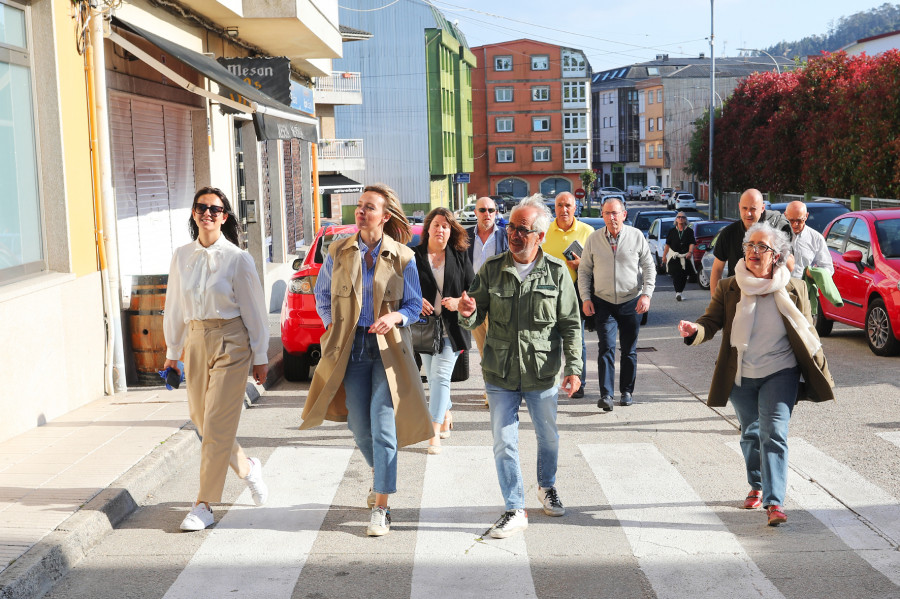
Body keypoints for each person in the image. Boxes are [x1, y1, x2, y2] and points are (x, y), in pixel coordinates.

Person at [678, 222, 835, 527]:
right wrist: (695, 330)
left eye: (762, 247)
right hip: (741, 376)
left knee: (774, 433)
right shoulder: (730, 287)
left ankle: (774, 503)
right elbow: (710, 322)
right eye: (750, 246)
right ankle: (757, 484)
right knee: (751, 434)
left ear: (776, 256)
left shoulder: (794, 288)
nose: (753, 251)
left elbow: (807, 332)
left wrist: (818, 370)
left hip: (781, 372)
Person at [301, 184, 433, 537]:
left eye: (369, 207)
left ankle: (382, 507)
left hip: (388, 349)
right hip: (351, 347)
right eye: (359, 207)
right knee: (358, 423)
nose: (361, 212)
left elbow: (414, 305)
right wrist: (333, 326)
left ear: (385, 216)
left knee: (382, 421)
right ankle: (380, 476)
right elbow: (323, 295)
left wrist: (394, 318)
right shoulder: (338, 250)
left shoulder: (404, 257)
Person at [458, 195, 582, 539]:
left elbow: (570, 324)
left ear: (539, 236)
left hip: (542, 371)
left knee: (548, 437)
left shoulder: (557, 273)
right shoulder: (492, 268)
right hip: (499, 371)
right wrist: (467, 313)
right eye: (510, 227)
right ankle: (515, 507)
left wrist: (574, 367)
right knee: (504, 441)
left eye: (522, 229)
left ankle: (547, 486)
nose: (513, 234)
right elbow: (474, 315)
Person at [163, 186, 270, 532]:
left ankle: (204, 504)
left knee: (217, 423)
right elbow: (175, 306)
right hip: (195, 338)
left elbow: (254, 309)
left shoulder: (238, 259)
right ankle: (248, 467)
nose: (207, 213)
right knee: (200, 417)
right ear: (194, 214)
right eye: (201, 208)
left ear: (224, 217)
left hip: (231, 341)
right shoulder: (181, 256)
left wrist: (261, 353)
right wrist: (172, 352)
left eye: (215, 209)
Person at [578, 197, 655, 411]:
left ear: (624, 214)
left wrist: (646, 294)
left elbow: (649, 267)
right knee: (606, 348)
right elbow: (584, 271)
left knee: (629, 349)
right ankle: (606, 395)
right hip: (603, 302)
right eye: (606, 213)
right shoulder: (594, 239)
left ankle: (627, 391)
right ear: (601, 215)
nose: (611, 217)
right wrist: (586, 298)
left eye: (615, 213)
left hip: (631, 300)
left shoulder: (636, 236)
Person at [412, 207, 474, 454]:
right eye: (436, 224)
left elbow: (473, 290)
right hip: (424, 329)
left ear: (451, 232)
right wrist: (416, 301)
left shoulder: (459, 256)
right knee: (436, 378)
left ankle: (433, 431)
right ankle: (446, 412)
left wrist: (460, 303)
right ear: (428, 228)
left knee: (438, 377)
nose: (441, 229)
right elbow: (402, 290)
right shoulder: (414, 256)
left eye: (446, 226)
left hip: (452, 328)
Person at [542, 191, 594, 398]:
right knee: (547, 339)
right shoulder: (544, 230)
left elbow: (598, 264)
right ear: (554, 208)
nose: (564, 210)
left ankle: (578, 383)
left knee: (576, 340)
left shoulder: (588, 231)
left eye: (568, 206)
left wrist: (582, 265)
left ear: (575, 208)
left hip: (576, 291)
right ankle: (547, 382)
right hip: (547, 292)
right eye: (560, 205)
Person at [709, 188, 794, 296]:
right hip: (737, 296)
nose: (748, 213)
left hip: (769, 296)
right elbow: (717, 269)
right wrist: (715, 301)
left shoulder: (776, 231)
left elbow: (790, 265)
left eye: (753, 209)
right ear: (739, 206)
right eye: (744, 208)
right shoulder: (728, 234)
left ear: (762, 208)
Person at [466, 196, 508, 406]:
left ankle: (497, 391)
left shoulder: (505, 236)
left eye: (492, 210)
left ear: (497, 212)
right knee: (483, 348)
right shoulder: (465, 237)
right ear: (475, 213)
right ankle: (490, 389)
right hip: (474, 302)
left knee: (497, 347)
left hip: (499, 301)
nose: (487, 214)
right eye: (482, 210)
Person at [784, 201, 833, 279]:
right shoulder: (776, 235)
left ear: (806, 216)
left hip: (805, 288)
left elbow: (828, 268)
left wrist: (814, 274)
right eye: (791, 220)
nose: (795, 224)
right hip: (781, 287)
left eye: (799, 221)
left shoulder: (816, 238)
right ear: (785, 215)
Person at [663, 212, 696, 301]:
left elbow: (692, 243)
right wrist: (664, 256)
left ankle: (679, 292)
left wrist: (690, 252)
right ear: (676, 219)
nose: (681, 218)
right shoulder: (672, 231)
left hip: (685, 256)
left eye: (683, 217)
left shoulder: (689, 231)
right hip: (674, 257)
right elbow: (667, 245)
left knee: (684, 275)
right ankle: (678, 292)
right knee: (676, 274)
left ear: (685, 219)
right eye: (679, 217)